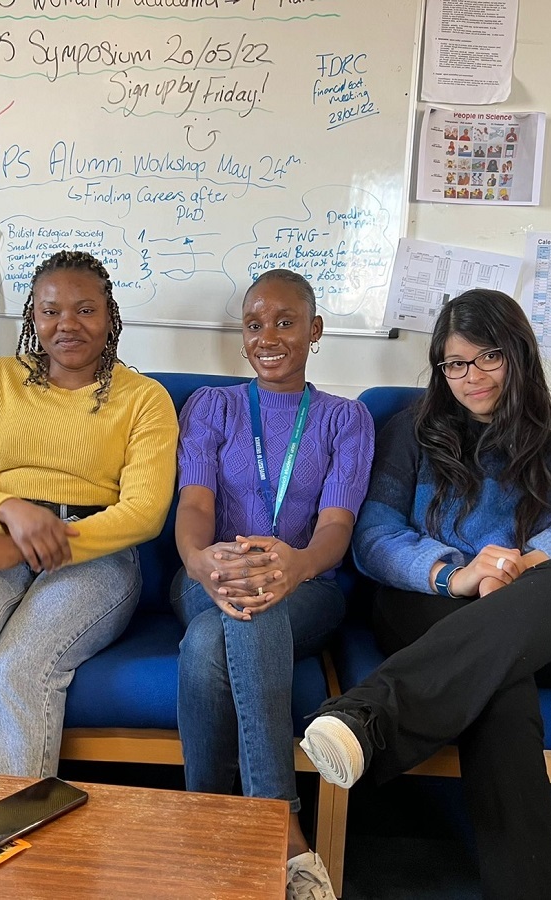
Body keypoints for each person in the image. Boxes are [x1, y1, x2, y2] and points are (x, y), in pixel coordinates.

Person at [299, 289, 551, 900]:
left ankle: (373, 716)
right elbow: (374, 539)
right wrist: (456, 573)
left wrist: (519, 569)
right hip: (438, 603)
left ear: (519, 354)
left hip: (547, 618)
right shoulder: (411, 433)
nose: (469, 377)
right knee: (498, 682)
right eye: (454, 363)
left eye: (487, 358)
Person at [0, 250, 179, 778]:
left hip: (96, 556)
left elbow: (144, 513)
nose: (67, 325)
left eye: (85, 310)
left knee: (17, 669)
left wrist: (31, 540)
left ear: (109, 315)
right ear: (33, 316)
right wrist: (9, 512)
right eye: (51, 311)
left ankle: (15, 830)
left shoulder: (145, 399)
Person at [171, 269, 374, 899]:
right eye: (255, 324)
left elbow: (336, 528)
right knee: (230, 617)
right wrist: (200, 561)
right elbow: (196, 507)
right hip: (211, 573)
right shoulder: (211, 406)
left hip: (308, 584)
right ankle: (282, 832)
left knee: (218, 638)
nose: (269, 337)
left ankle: (218, 821)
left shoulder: (346, 419)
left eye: (286, 322)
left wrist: (296, 565)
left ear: (315, 330)